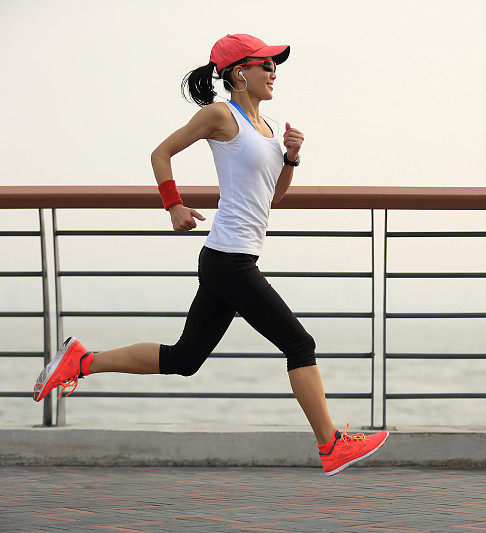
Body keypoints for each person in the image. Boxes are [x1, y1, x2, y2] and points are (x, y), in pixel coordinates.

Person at [32, 33, 389, 476]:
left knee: (184, 360)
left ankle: (81, 361)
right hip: (230, 260)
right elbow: (160, 153)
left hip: (233, 258)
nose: (275, 71)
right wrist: (173, 205)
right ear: (240, 71)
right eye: (266, 64)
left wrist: (292, 157)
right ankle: (330, 445)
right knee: (300, 344)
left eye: (276, 64)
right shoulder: (220, 115)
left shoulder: (269, 128)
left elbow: (273, 198)